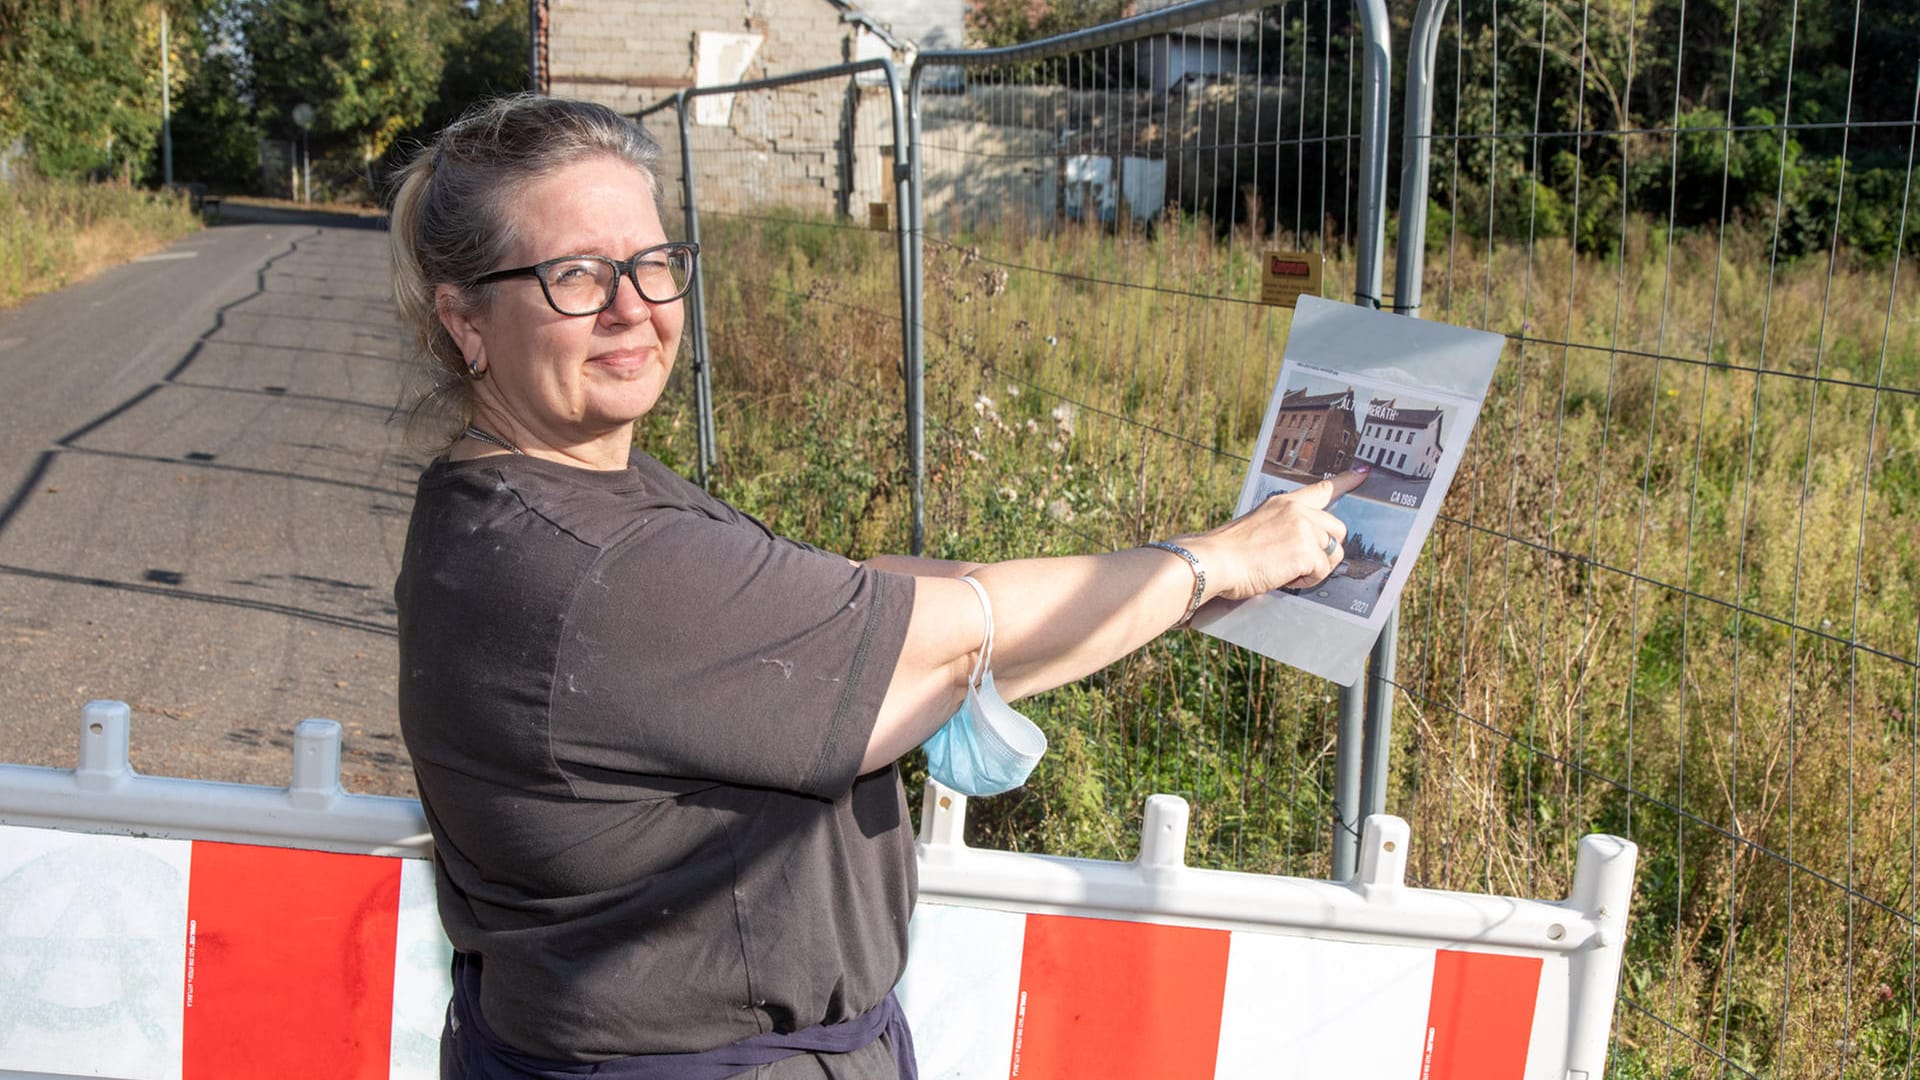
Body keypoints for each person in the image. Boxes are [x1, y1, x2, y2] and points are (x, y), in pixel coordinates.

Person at [388, 94, 1366, 1080]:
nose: (633, 307)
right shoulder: (590, 563)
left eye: (652, 264)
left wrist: (1176, 585)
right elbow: (939, 637)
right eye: (575, 277)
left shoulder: (550, 495)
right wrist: (1216, 562)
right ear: (465, 317)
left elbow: (871, 612)